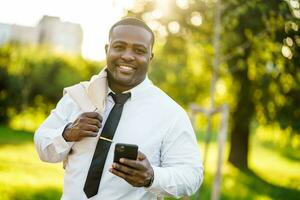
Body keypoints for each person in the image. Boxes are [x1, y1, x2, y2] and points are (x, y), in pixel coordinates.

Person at [34, 17, 203, 200]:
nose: (127, 56)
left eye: (139, 50)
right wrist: (67, 134)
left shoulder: (170, 113)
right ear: (108, 49)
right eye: (119, 47)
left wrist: (151, 177)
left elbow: (192, 176)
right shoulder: (78, 96)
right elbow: (43, 146)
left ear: (150, 57)